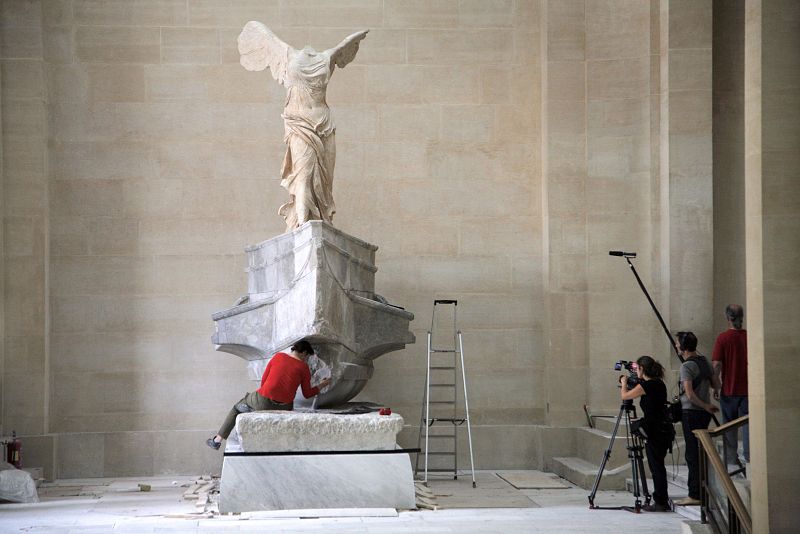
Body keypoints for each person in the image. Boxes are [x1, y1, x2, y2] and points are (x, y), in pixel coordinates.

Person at [237, 21, 368, 231]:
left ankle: (321, 221)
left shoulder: (328, 57)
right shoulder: (287, 53)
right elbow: (258, 34)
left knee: (324, 181)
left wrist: (353, 39)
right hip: (299, 123)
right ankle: (302, 227)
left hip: (324, 123)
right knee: (303, 175)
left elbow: (344, 46)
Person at [206, 340, 331, 450]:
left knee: (237, 408)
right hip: (285, 407)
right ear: (304, 352)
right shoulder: (304, 368)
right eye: (307, 357)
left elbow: (264, 381)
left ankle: (217, 440)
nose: (306, 359)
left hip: (263, 401)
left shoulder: (278, 357)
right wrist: (322, 384)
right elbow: (307, 394)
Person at [620, 356, 673, 512]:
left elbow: (625, 396)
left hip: (655, 431)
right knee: (658, 465)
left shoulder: (648, 385)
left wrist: (624, 383)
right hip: (662, 429)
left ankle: (660, 501)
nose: (636, 372)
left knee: (656, 467)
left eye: (637, 369)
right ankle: (660, 499)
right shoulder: (658, 383)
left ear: (642, 369)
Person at [674, 331, 720, 506]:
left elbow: (689, 394)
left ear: (683, 347)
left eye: (678, 343)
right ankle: (702, 490)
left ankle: (694, 494)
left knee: (692, 454)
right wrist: (707, 404)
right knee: (700, 452)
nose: (676, 346)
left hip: (691, 412)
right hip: (703, 414)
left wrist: (705, 405)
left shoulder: (686, 366)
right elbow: (716, 384)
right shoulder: (704, 361)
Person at [712, 304, 749, 466]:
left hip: (729, 389)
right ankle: (750, 458)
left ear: (728, 318)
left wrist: (716, 385)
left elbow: (717, 365)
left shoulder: (723, 338)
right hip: (749, 390)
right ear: (742, 317)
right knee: (749, 425)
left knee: (729, 427)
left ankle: (732, 460)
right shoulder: (749, 337)